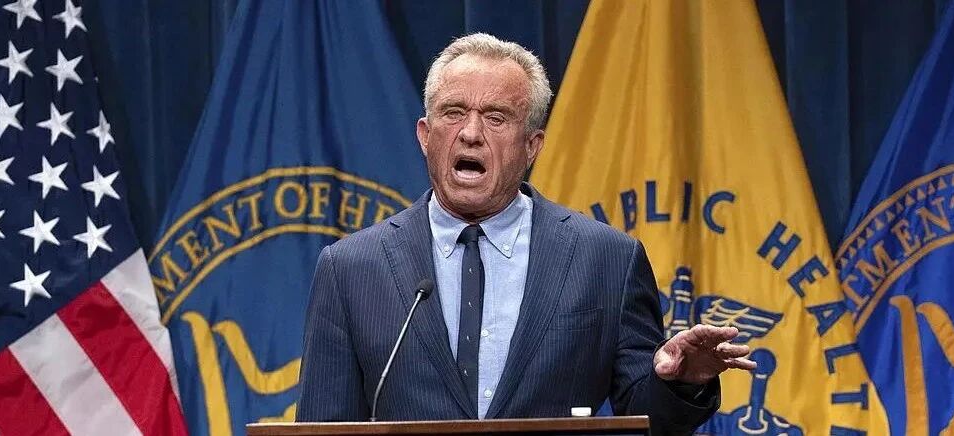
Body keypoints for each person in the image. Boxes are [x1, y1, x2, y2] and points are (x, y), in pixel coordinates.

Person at [296, 33, 756, 434]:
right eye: (453, 112)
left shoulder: (607, 260)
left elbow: (648, 419)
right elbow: (322, 429)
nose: (470, 133)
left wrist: (681, 382)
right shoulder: (350, 269)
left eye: (496, 118)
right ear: (425, 135)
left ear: (532, 146)